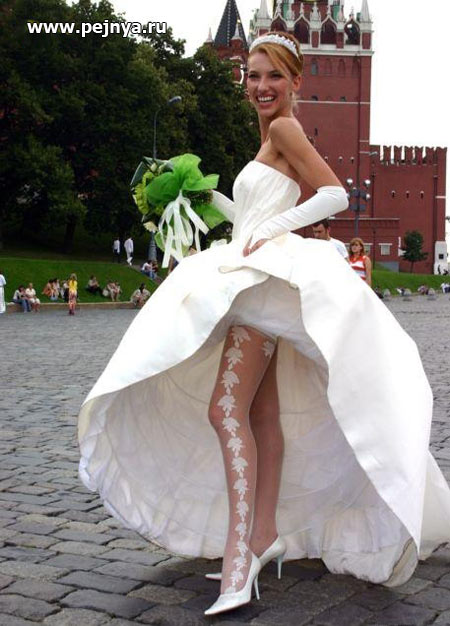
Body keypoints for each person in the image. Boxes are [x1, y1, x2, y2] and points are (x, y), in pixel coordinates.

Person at [78, 31, 450, 618]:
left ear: (296, 80)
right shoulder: (267, 137)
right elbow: (254, 212)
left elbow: (334, 194)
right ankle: (264, 535)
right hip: (253, 274)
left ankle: (240, 555)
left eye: (273, 75)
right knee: (261, 414)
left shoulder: (285, 130)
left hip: (264, 283)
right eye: (252, 75)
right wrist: (204, 197)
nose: (260, 86)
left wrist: (277, 231)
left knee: (224, 410)